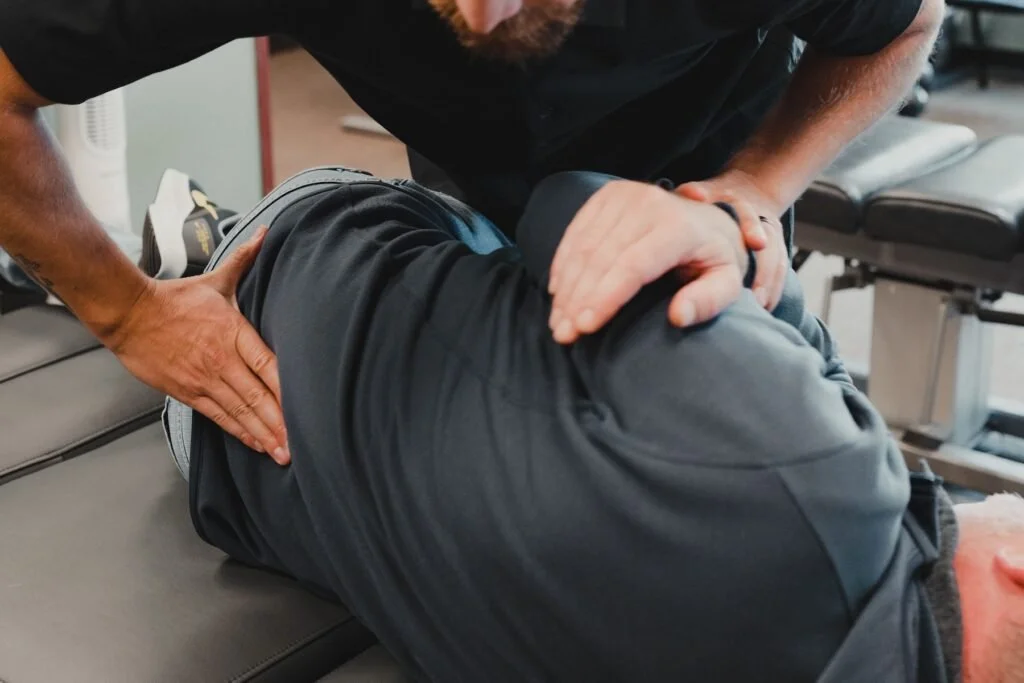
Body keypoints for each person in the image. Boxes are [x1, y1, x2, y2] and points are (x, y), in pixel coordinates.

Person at [163, 166, 1022, 682]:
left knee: (506, 237)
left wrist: (722, 232)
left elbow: (566, 208)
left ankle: (197, 246)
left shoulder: (822, 477)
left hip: (281, 282)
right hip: (232, 486)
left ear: (1019, 571)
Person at [0, 0, 944, 463]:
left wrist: (754, 185)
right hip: (471, 179)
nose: (490, 11)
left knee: (754, 447)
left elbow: (905, 24)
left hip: (708, 174)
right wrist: (128, 316)